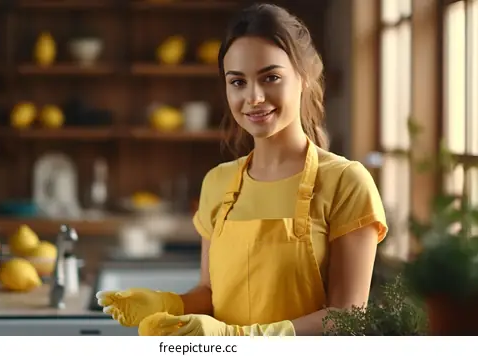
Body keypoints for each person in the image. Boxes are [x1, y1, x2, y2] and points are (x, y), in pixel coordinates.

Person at [97, 3, 387, 336]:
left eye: (271, 77)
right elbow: (208, 294)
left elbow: (347, 317)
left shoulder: (346, 182)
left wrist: (243, 339)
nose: (254, 97)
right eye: (238, 82)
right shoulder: (217, 182)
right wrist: (170, 304)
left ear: (304, 78)